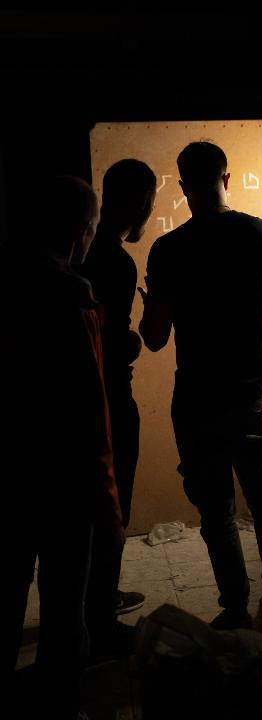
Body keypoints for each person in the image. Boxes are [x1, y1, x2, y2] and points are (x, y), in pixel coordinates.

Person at [138, 141, 262, 632]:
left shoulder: (169, 249)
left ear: (183, 186)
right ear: (227, 177)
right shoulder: (260, 233)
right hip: (250, 393)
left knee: (216, 512)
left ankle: (235, 607)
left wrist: (150, 305)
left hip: (198, 399)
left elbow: (155, 339)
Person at [0, 175, 122, 719]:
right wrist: (109, 504)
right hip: (61, 484)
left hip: (8, 476)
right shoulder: (71, 296)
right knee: (64, 608)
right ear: (79, 231)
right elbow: (90, 414)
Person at [81, 159, 157, 625]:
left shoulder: (82, 253)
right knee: (112, 506)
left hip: (74, 402)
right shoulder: (119, 263)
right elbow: (113, 343)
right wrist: (135, 339)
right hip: (109, 401)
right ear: (144, 201)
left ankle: (85, 606)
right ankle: (101, 612)